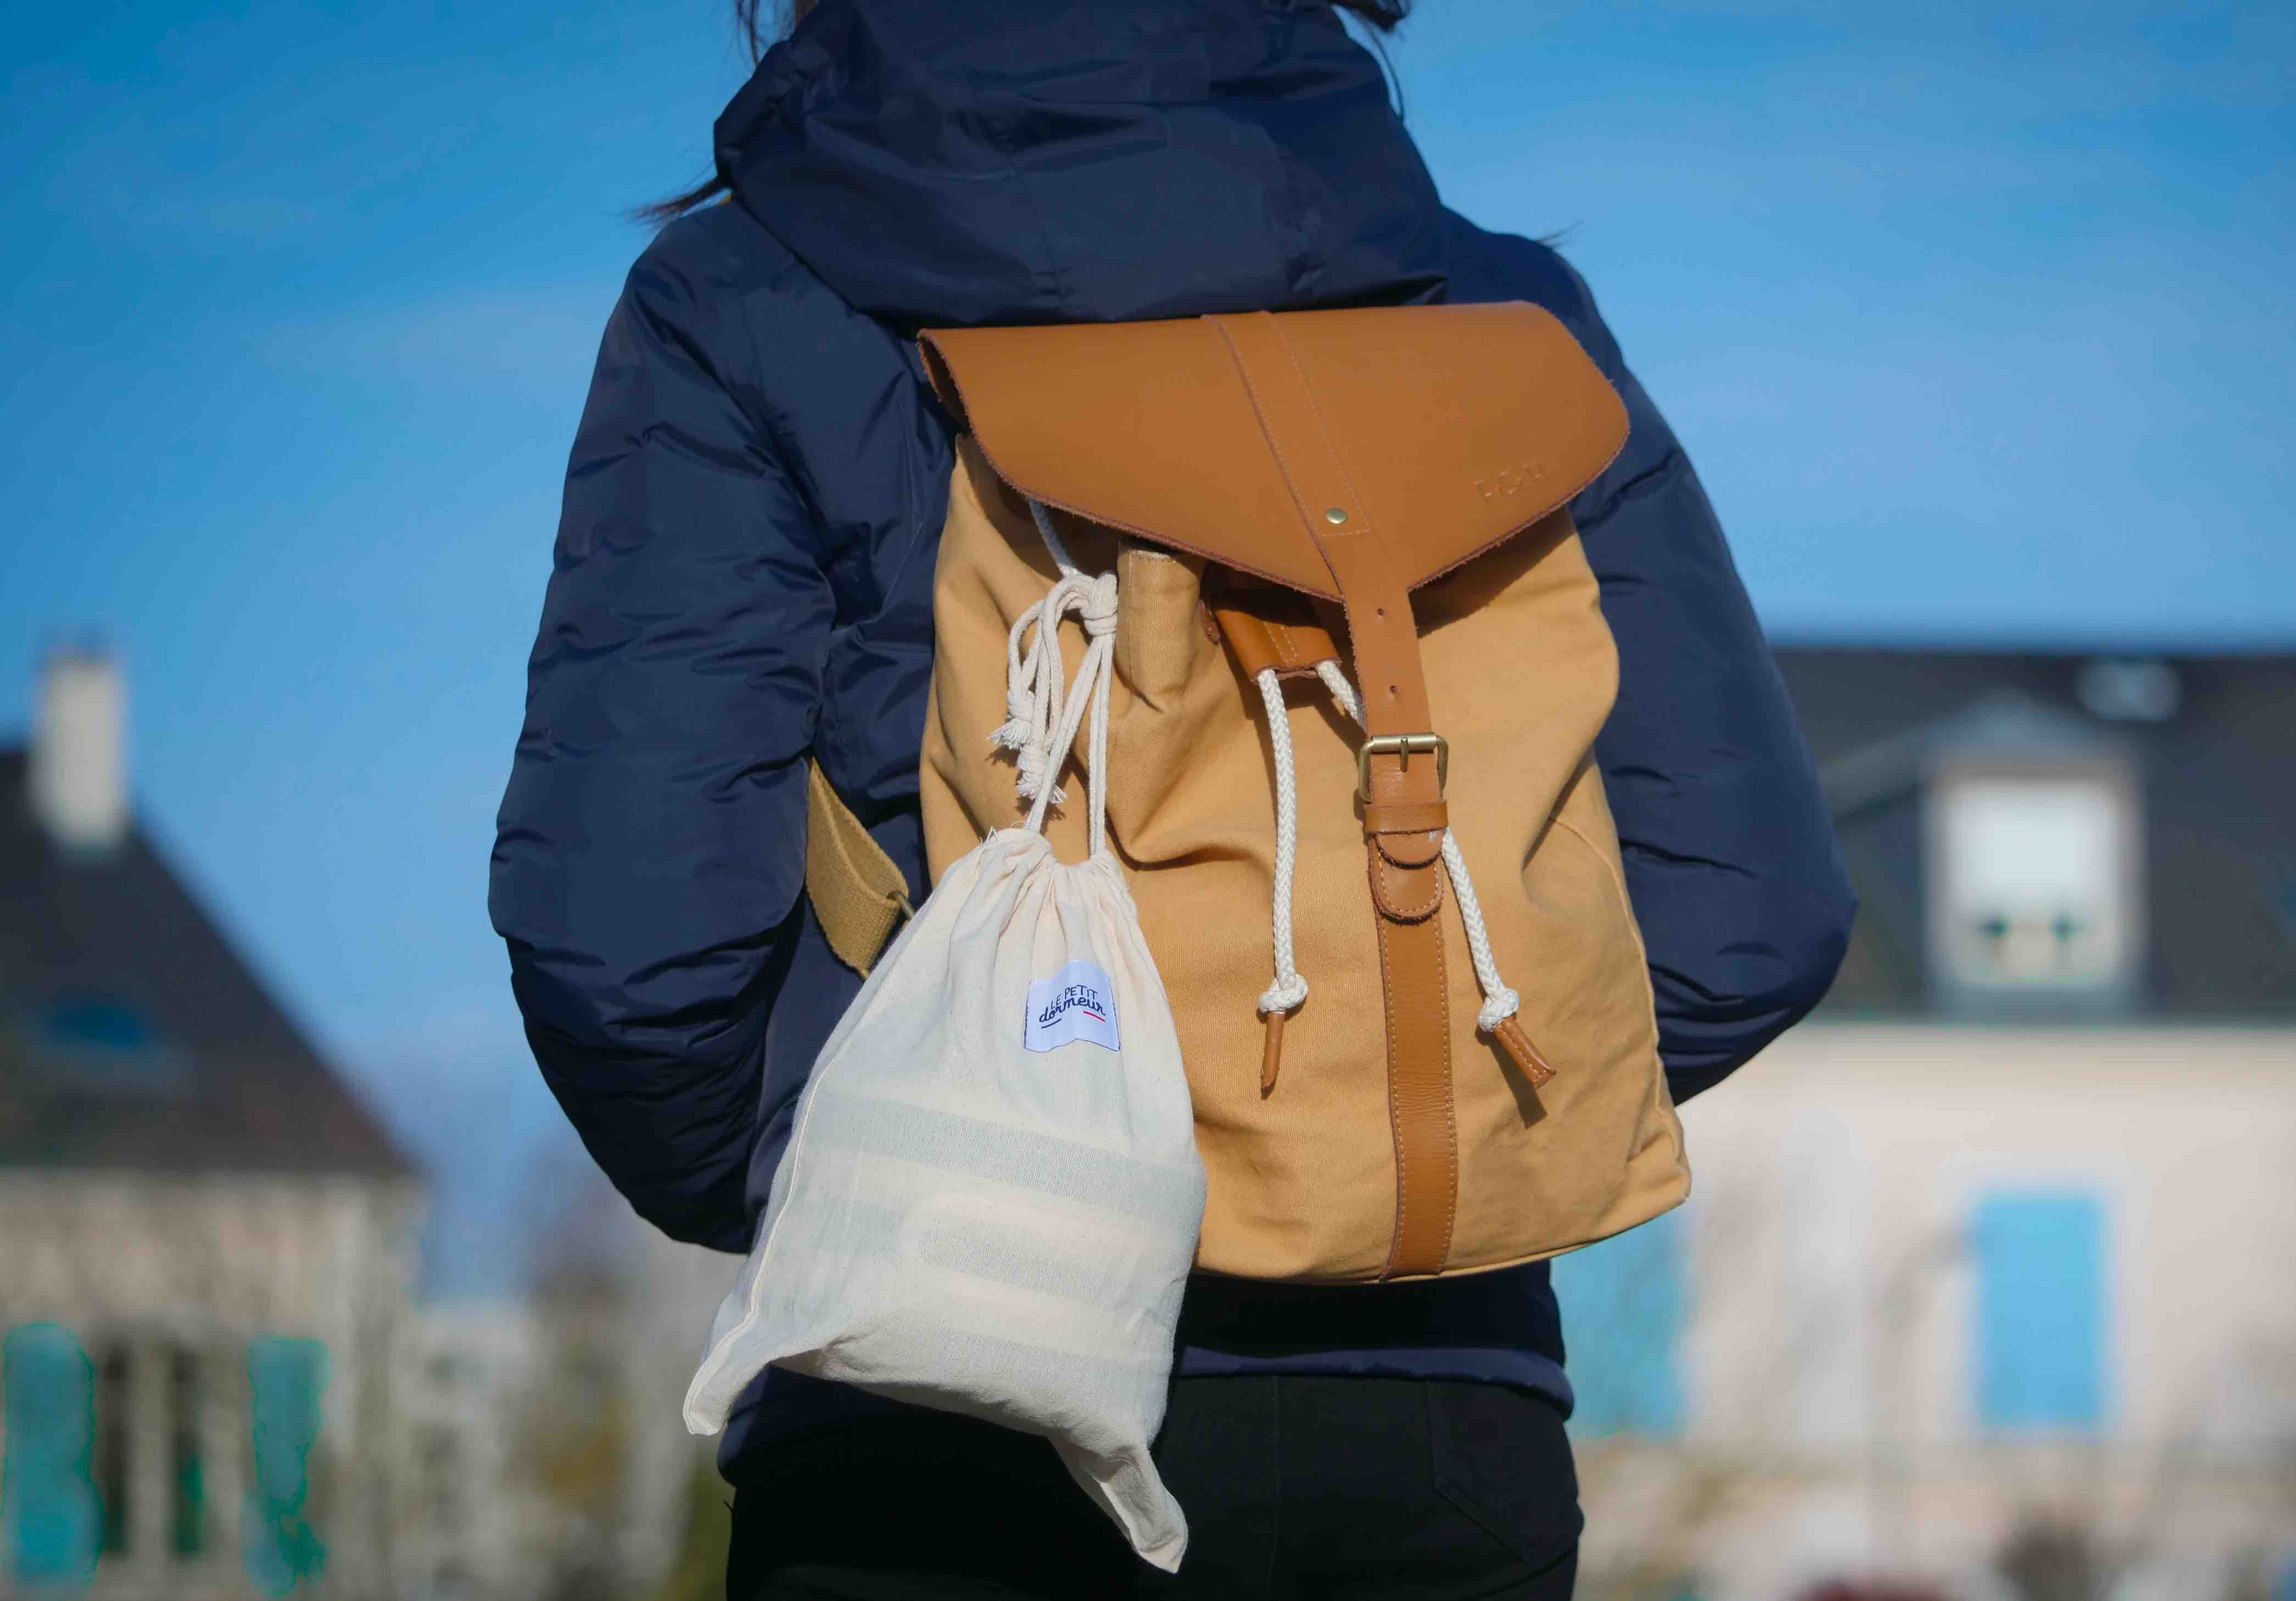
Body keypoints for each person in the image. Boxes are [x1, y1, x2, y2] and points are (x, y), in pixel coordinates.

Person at [488, 1, 1855, 1596]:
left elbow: (627, 946)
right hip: (1430, 1425)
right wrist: (1396, 1126)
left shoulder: (742, 304)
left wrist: (867, 1179)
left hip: (946, 1398)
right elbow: (1749, 913)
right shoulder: (1504, 321)